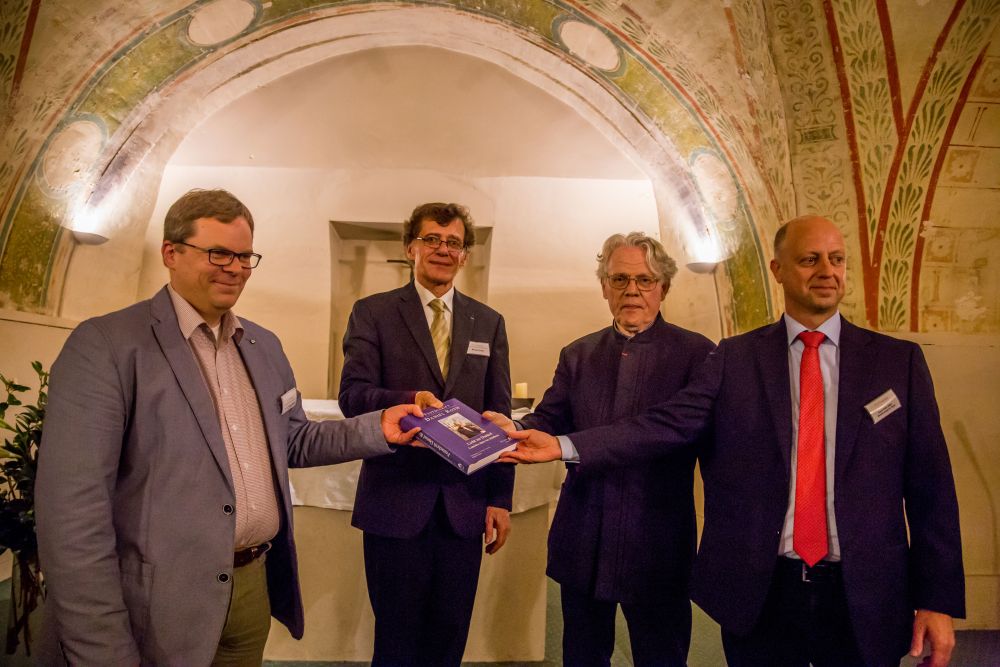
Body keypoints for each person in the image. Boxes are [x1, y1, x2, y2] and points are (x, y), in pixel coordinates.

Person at [501, 216, 965, 667]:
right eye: (810, 259)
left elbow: (932, 489)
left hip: (864, 588)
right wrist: (549, 441)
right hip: (758, 585)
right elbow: (664, 423)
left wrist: (937, 598)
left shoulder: (896, 362)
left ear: (663, 287)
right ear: (778, 270)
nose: (827, 270)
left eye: (837, 259)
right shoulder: (736, 357)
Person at [35, 189, 423, 666]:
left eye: (244, 256)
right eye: (218, 253)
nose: (234, 268)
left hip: (250, 587)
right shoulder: (108, 345)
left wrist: (379, 427)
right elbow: (72, 512)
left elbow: (292, 438)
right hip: (159, 598)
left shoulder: (263, 345)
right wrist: (99, 646)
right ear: (170, 253)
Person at [489, 232, 713, 666]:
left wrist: (563, 446)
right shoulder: (578, 354)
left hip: (657, 539)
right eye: (620, 279)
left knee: (661, 656)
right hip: (584, 535)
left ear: (664, 288)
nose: (632, 290)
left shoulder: (697, 354)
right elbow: (549, 418)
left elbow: (667, 431)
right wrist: (512, 429)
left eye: (645, 280)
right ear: (604, 287)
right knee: (583, 654)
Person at [338, 202, 513, 666]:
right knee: (396, 640)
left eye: (453, 242)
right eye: (431, 239)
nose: (443, 249)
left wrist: (500, 498)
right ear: (410, 247)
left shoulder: (488, 322)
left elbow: (499, 416)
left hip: (464, 504)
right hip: (396, 500)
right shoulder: (373, 313)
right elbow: (352, 396)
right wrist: (409, 400)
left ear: (465, 255)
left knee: (449, 637)